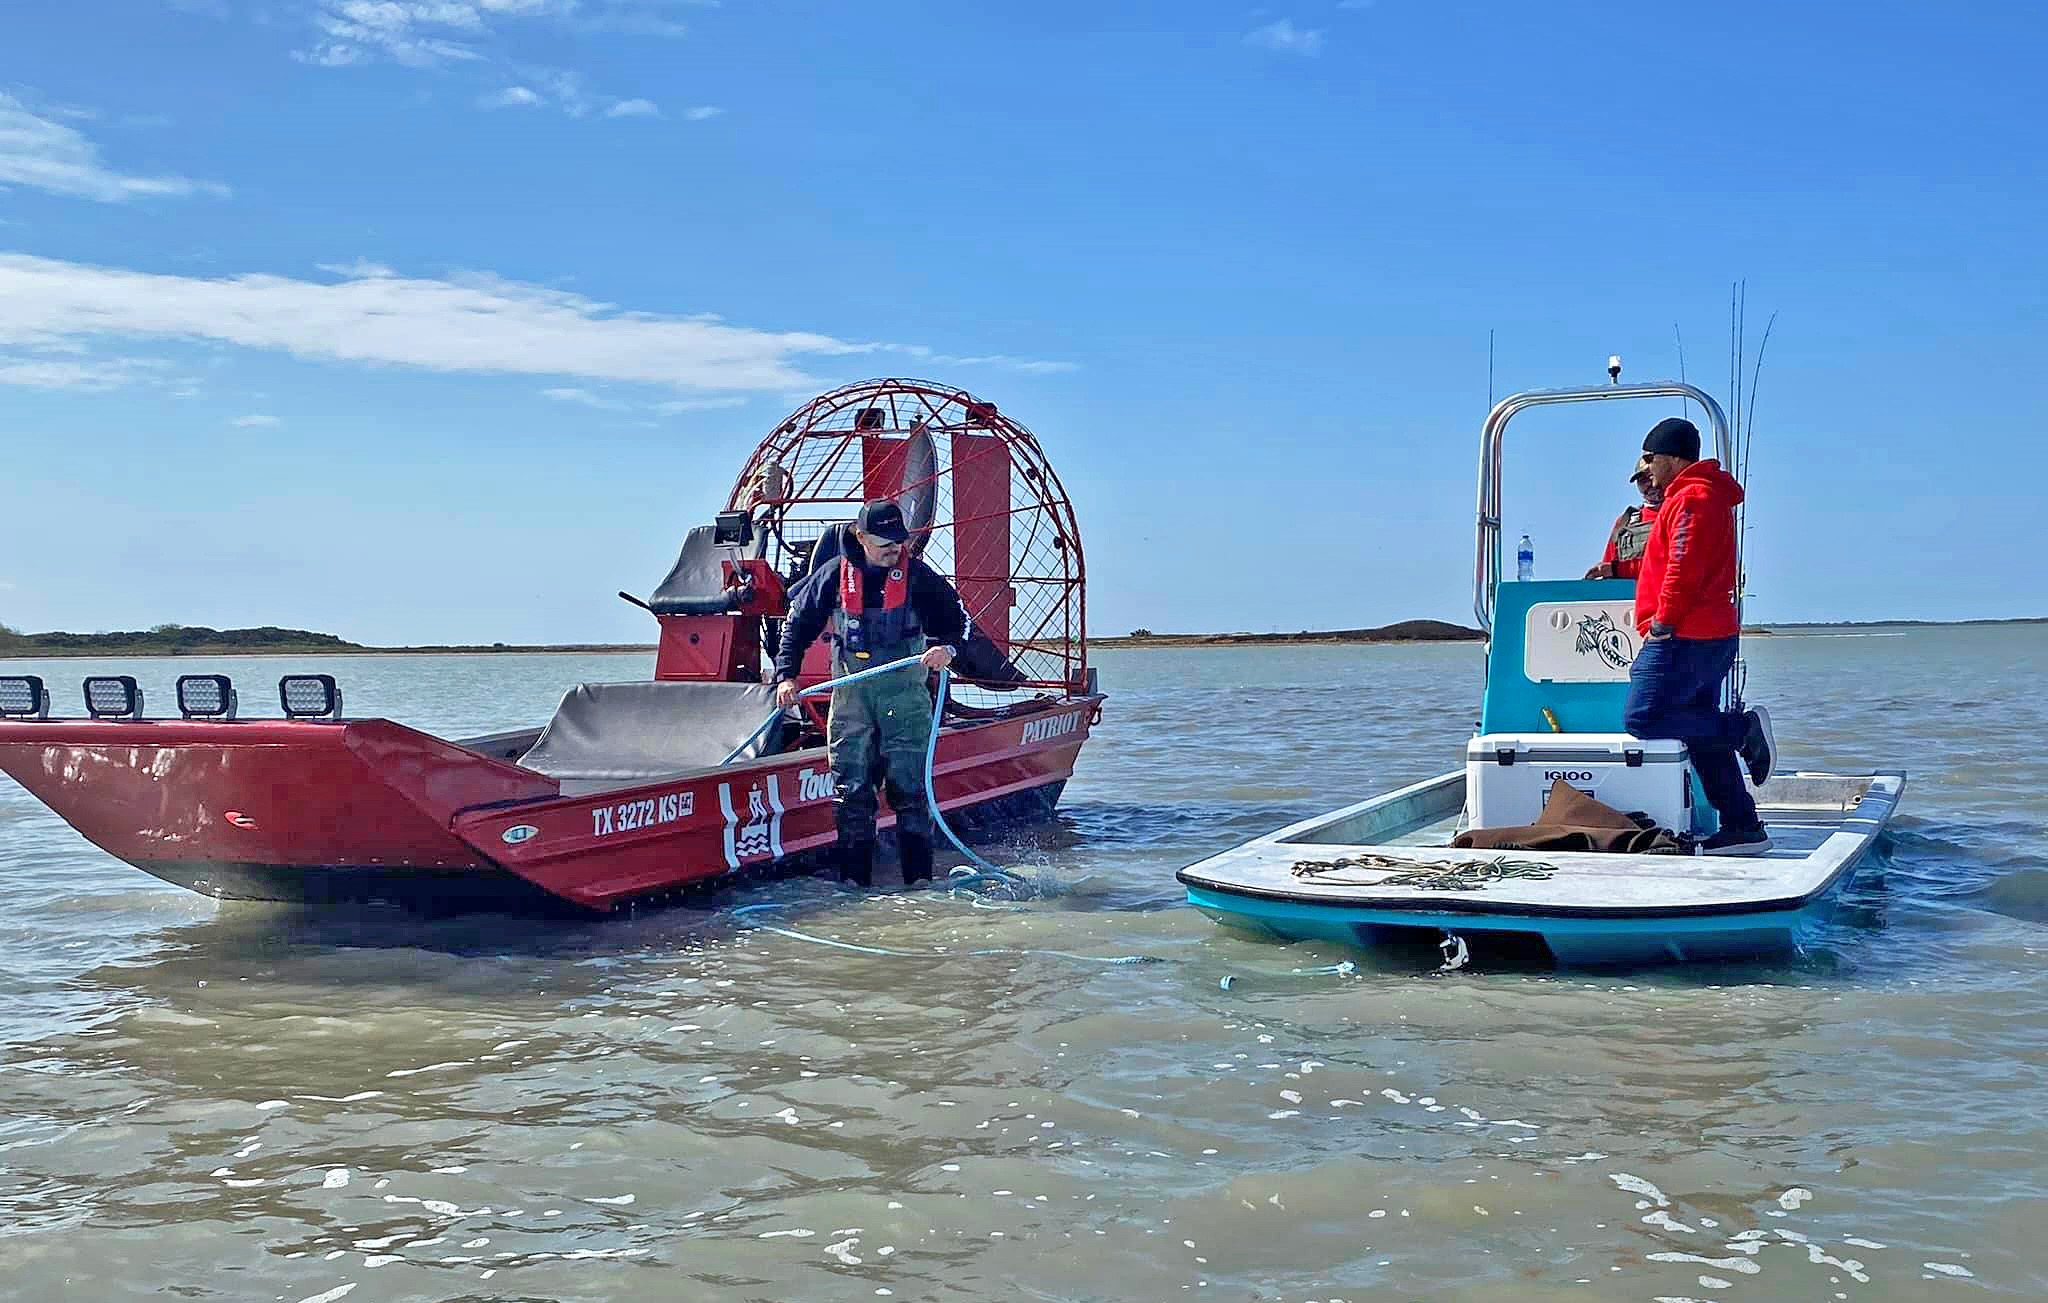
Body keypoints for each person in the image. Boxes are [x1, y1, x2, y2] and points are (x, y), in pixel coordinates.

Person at [772, 499, 969, 887]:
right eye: (885, 542)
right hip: (851, 701)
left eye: (899, 541)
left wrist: (947, 650)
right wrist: (786, 676)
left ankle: (920, 885)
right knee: (851, 794)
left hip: (905, 700)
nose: (894, 548)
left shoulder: (920, 578)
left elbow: (959, 625)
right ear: (860, 537)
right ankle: (853, 886)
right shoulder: (831, 575)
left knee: (911, 793)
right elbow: (795, 628)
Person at [1621, 417, 1778, 855]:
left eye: (1651, 459)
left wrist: (1663, 622)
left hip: (1686, 635)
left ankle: (1742, 728)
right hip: (1704, 634)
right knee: (1698, 732)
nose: (1647, 468)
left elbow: (1683, 567)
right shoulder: (1690, 498)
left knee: (1643, 718)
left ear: (1673, 458)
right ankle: (1742, 825)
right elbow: (1667, 561)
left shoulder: (1694, 498)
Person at [1584, 454, 1662, 580]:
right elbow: (1607, 568)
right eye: (1642, 480)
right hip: (1631, 597)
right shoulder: (1625, 522)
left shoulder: (1682, 513)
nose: (1650, 484)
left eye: (1651, 476)